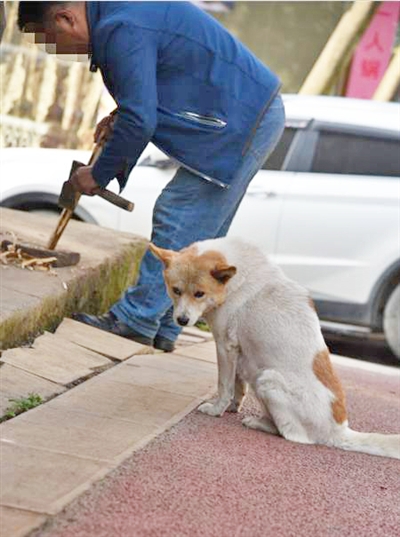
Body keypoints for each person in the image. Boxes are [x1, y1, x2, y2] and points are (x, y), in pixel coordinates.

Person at [18, 1, 285, 352]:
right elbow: (159, 84)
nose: (58, 53)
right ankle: (163, 329)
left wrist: (96, 174)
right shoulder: (120, 16)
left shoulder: (120, 26)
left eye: (51, 41)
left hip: (240, 121)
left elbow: (141, 120)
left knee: (178, 212)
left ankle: (134, 319)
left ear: (65, 18)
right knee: (198, 239)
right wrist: (121, 114)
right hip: (251, 115)